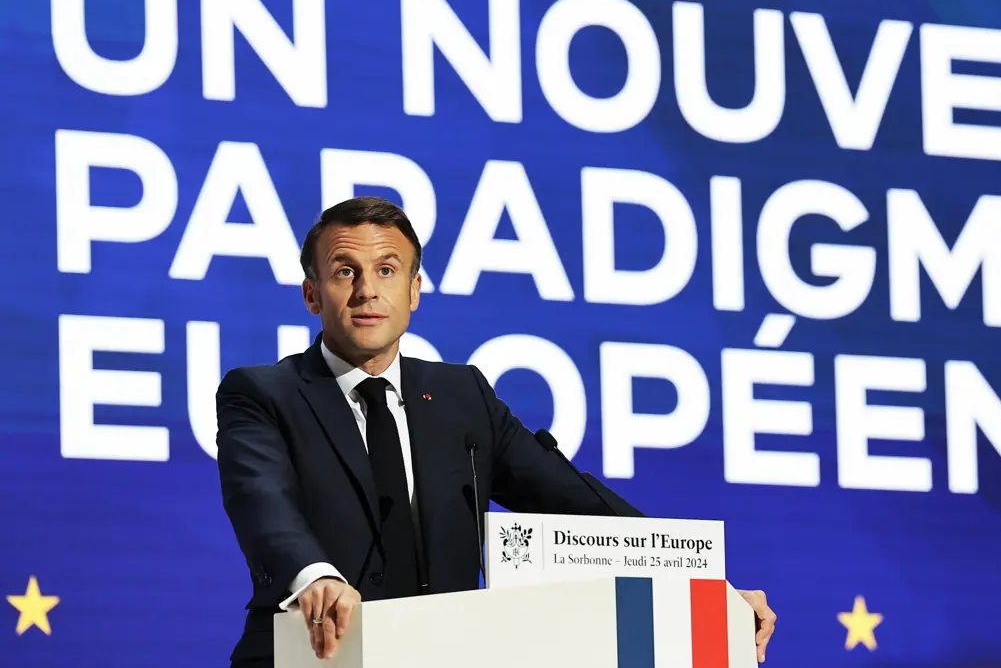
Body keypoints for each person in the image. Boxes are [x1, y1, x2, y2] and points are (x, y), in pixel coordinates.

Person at [216, 196, 777, 667]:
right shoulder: (265, 393)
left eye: (387, 270)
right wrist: (314, 575)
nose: (368, 290)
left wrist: (706, 587)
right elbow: (262, 503)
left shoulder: (463, 398)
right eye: (345, 271)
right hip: (310, 655)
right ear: (313, 294)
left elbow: (577, 505)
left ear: (414, 292)